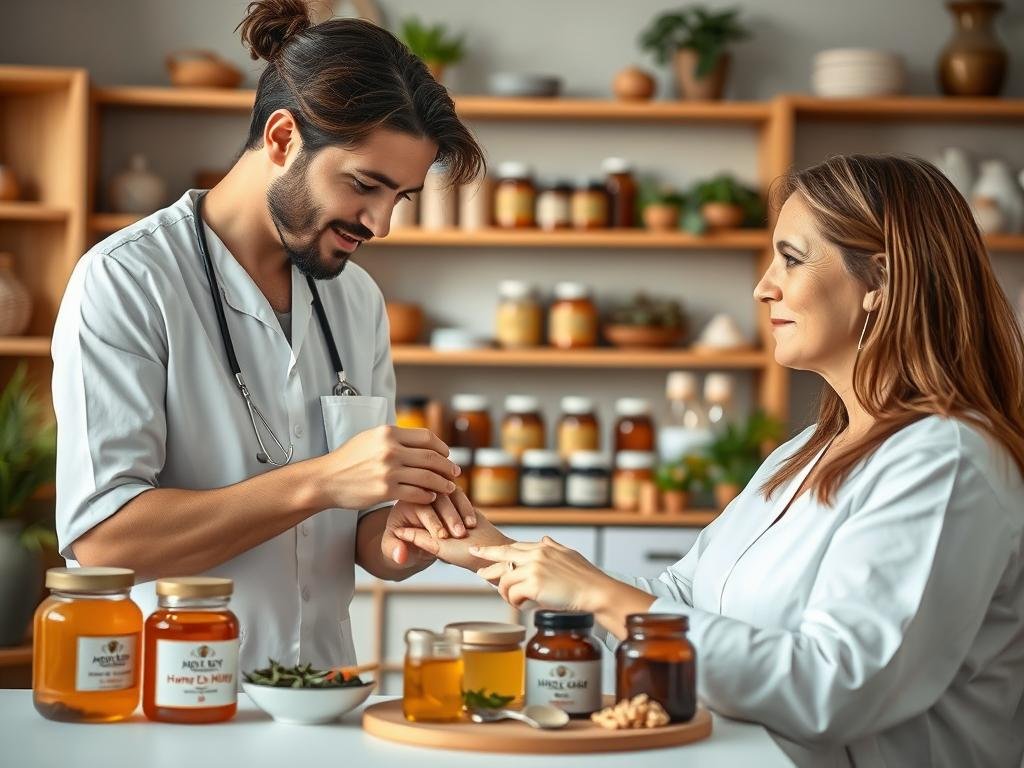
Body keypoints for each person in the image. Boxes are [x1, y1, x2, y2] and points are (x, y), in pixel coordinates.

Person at [397, 155, 1024, 767]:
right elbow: (682, 598)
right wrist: (493, 549)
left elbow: (838, 689)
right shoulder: (805, 452)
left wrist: (595, 590)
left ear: (881, 282)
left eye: (792, 258)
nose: (763, 286)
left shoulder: (946, 462)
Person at [51, 0, 485, 671]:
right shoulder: (126, 281)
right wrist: (319, 482)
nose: (382, 224)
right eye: (365, 185)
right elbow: (105, 542)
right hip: (175, 693)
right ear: (282, 139)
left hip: (321, 690)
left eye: (399, 197)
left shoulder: (356, 298)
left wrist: (397, 537)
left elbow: (359, 528)